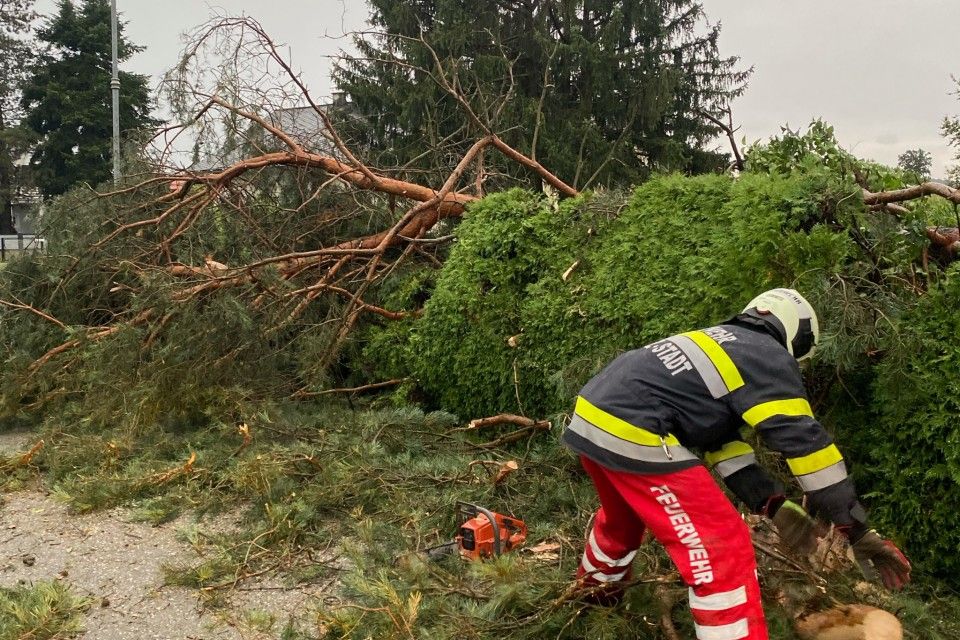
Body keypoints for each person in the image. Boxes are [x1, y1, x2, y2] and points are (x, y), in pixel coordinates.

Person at [562, 288, 910, 640]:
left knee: (622, 522)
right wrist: (854, 528)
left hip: (593, 414)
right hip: (633, 427)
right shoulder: (766, 355)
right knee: (723, 547)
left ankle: (594, 602)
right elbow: (807, 447)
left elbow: (721, 444)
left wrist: (772, 503)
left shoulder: (723, 344)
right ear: (797, 337)